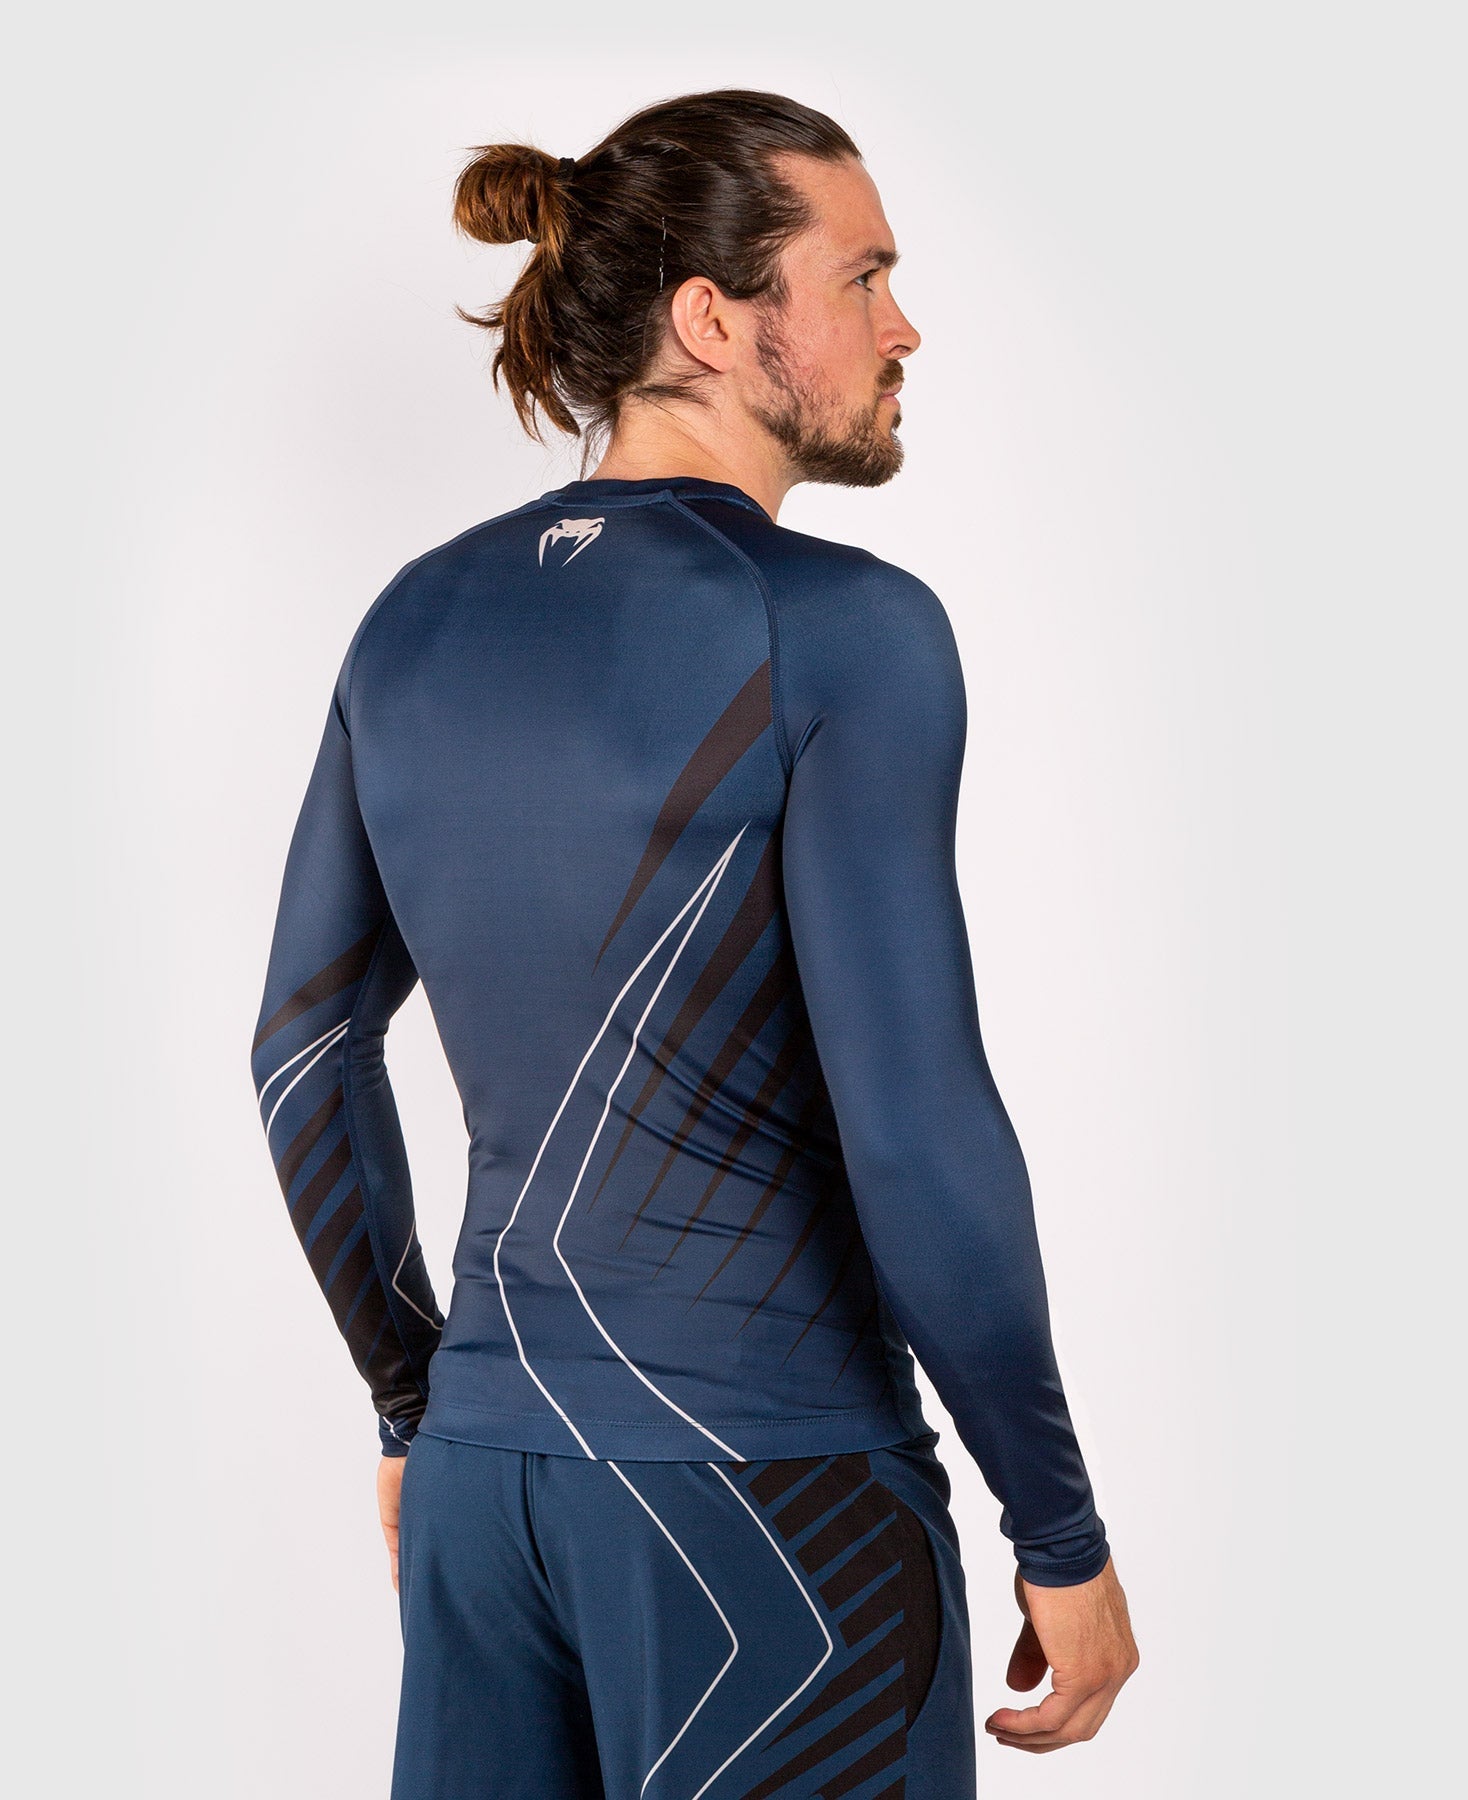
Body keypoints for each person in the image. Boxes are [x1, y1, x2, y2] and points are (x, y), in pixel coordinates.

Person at [251, 88, 1137, 1800]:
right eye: (863, 278)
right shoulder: (846, 633)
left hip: (486, 1498)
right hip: (772, 1506)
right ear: (716, 321)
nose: (904, 326)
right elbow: (915, 1126)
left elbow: (301, 1054)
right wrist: (1060, 1525)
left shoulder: (412, 621)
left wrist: (416, 1408)